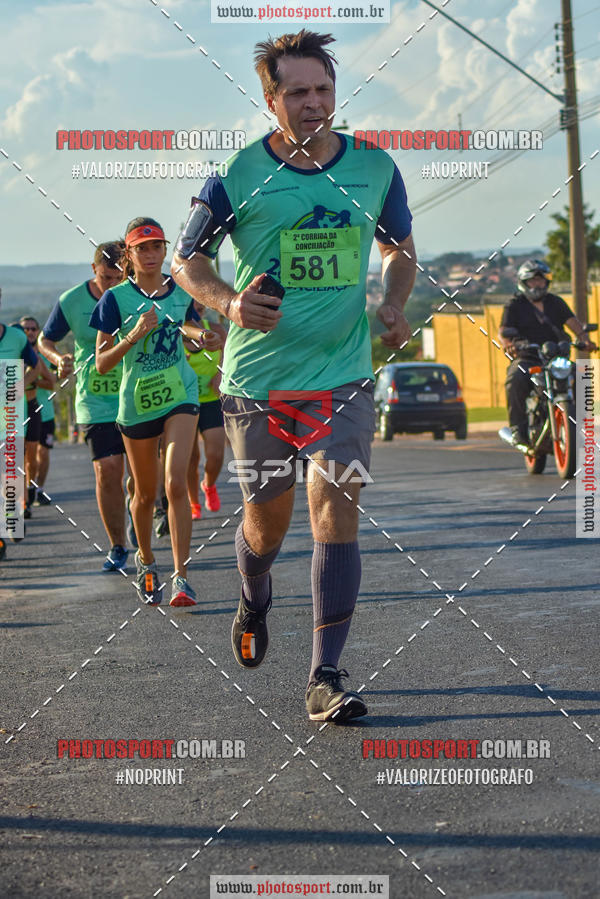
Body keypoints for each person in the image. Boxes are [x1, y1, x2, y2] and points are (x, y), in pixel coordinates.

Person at [171, 30, 416, 722]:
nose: (315, 104)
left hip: (342, 376)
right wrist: (228, 301)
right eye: (299, 92)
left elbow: (399, 249)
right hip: (256, 384)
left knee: (336, 506)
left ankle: (326, 673)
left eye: (324, 90)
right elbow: (188, 260)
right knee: (267, 523)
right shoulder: (237, 174)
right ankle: (253, 593)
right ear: (270, 98)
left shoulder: (373, 168)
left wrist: (393, 299)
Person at [90, 216, 222, 606]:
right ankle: (147, 562)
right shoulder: (115, 300)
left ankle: (182, 576)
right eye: (142, 248)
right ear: (128, 255)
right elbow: (101, 363)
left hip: (180, 395)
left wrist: (204, 337)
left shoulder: (180, 288)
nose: (151, 254)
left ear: (166, 250)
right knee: (144, 495)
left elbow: (189, 327)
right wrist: (134, 335)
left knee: (176, 483)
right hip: (136, 404)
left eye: (157, 246)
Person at [39, 242, 135, 570]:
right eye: (106, 277)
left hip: (137, 392)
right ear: (93, 270)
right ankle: (118, 545)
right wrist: (58, 359)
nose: (112, 284)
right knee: (107, 470)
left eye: (118, 277)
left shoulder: (136, 293)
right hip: (95, 398)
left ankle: (140, 508)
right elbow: (45, 340)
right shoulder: (71, 300)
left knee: (141, 474)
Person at [499, 259, 596, 445]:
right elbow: (504, 330)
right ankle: (518, 429)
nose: (537, 284)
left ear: (547, 282)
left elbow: (573, 323)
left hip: (556, 357)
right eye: (533, 281)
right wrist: (509, 344)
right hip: (528, 357)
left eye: (541, 280)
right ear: (524, 282)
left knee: (582, 375)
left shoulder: (555, 302)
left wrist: (584, 339)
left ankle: (583, 424)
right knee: (515, 378)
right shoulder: (514, 305)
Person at [0, 293, 41, 533]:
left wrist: (19, 385)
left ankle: (11, 522)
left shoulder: (16, 337)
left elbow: (36, 367)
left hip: (11, 416)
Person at [184, 302, 227, 519]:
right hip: (185, 403)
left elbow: (231, 355)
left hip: (211, 400)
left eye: (201, 302)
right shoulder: (176, 335)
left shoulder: (216, 331)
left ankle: (208, 485)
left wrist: (220, 375)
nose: (198, 305)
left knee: (216, 453)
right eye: (192, 301)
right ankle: (194, 504)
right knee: (190, 457)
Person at [18, 317, 57, 510]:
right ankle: (21, 499)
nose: (30, 332)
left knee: (37, 455)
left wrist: (30, 382)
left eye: (33, 328)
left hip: (40, 410)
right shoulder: (12, 352)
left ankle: (35, 489)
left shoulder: (39, 356)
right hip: (13, 410)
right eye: (25, 329)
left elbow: (51, 382)